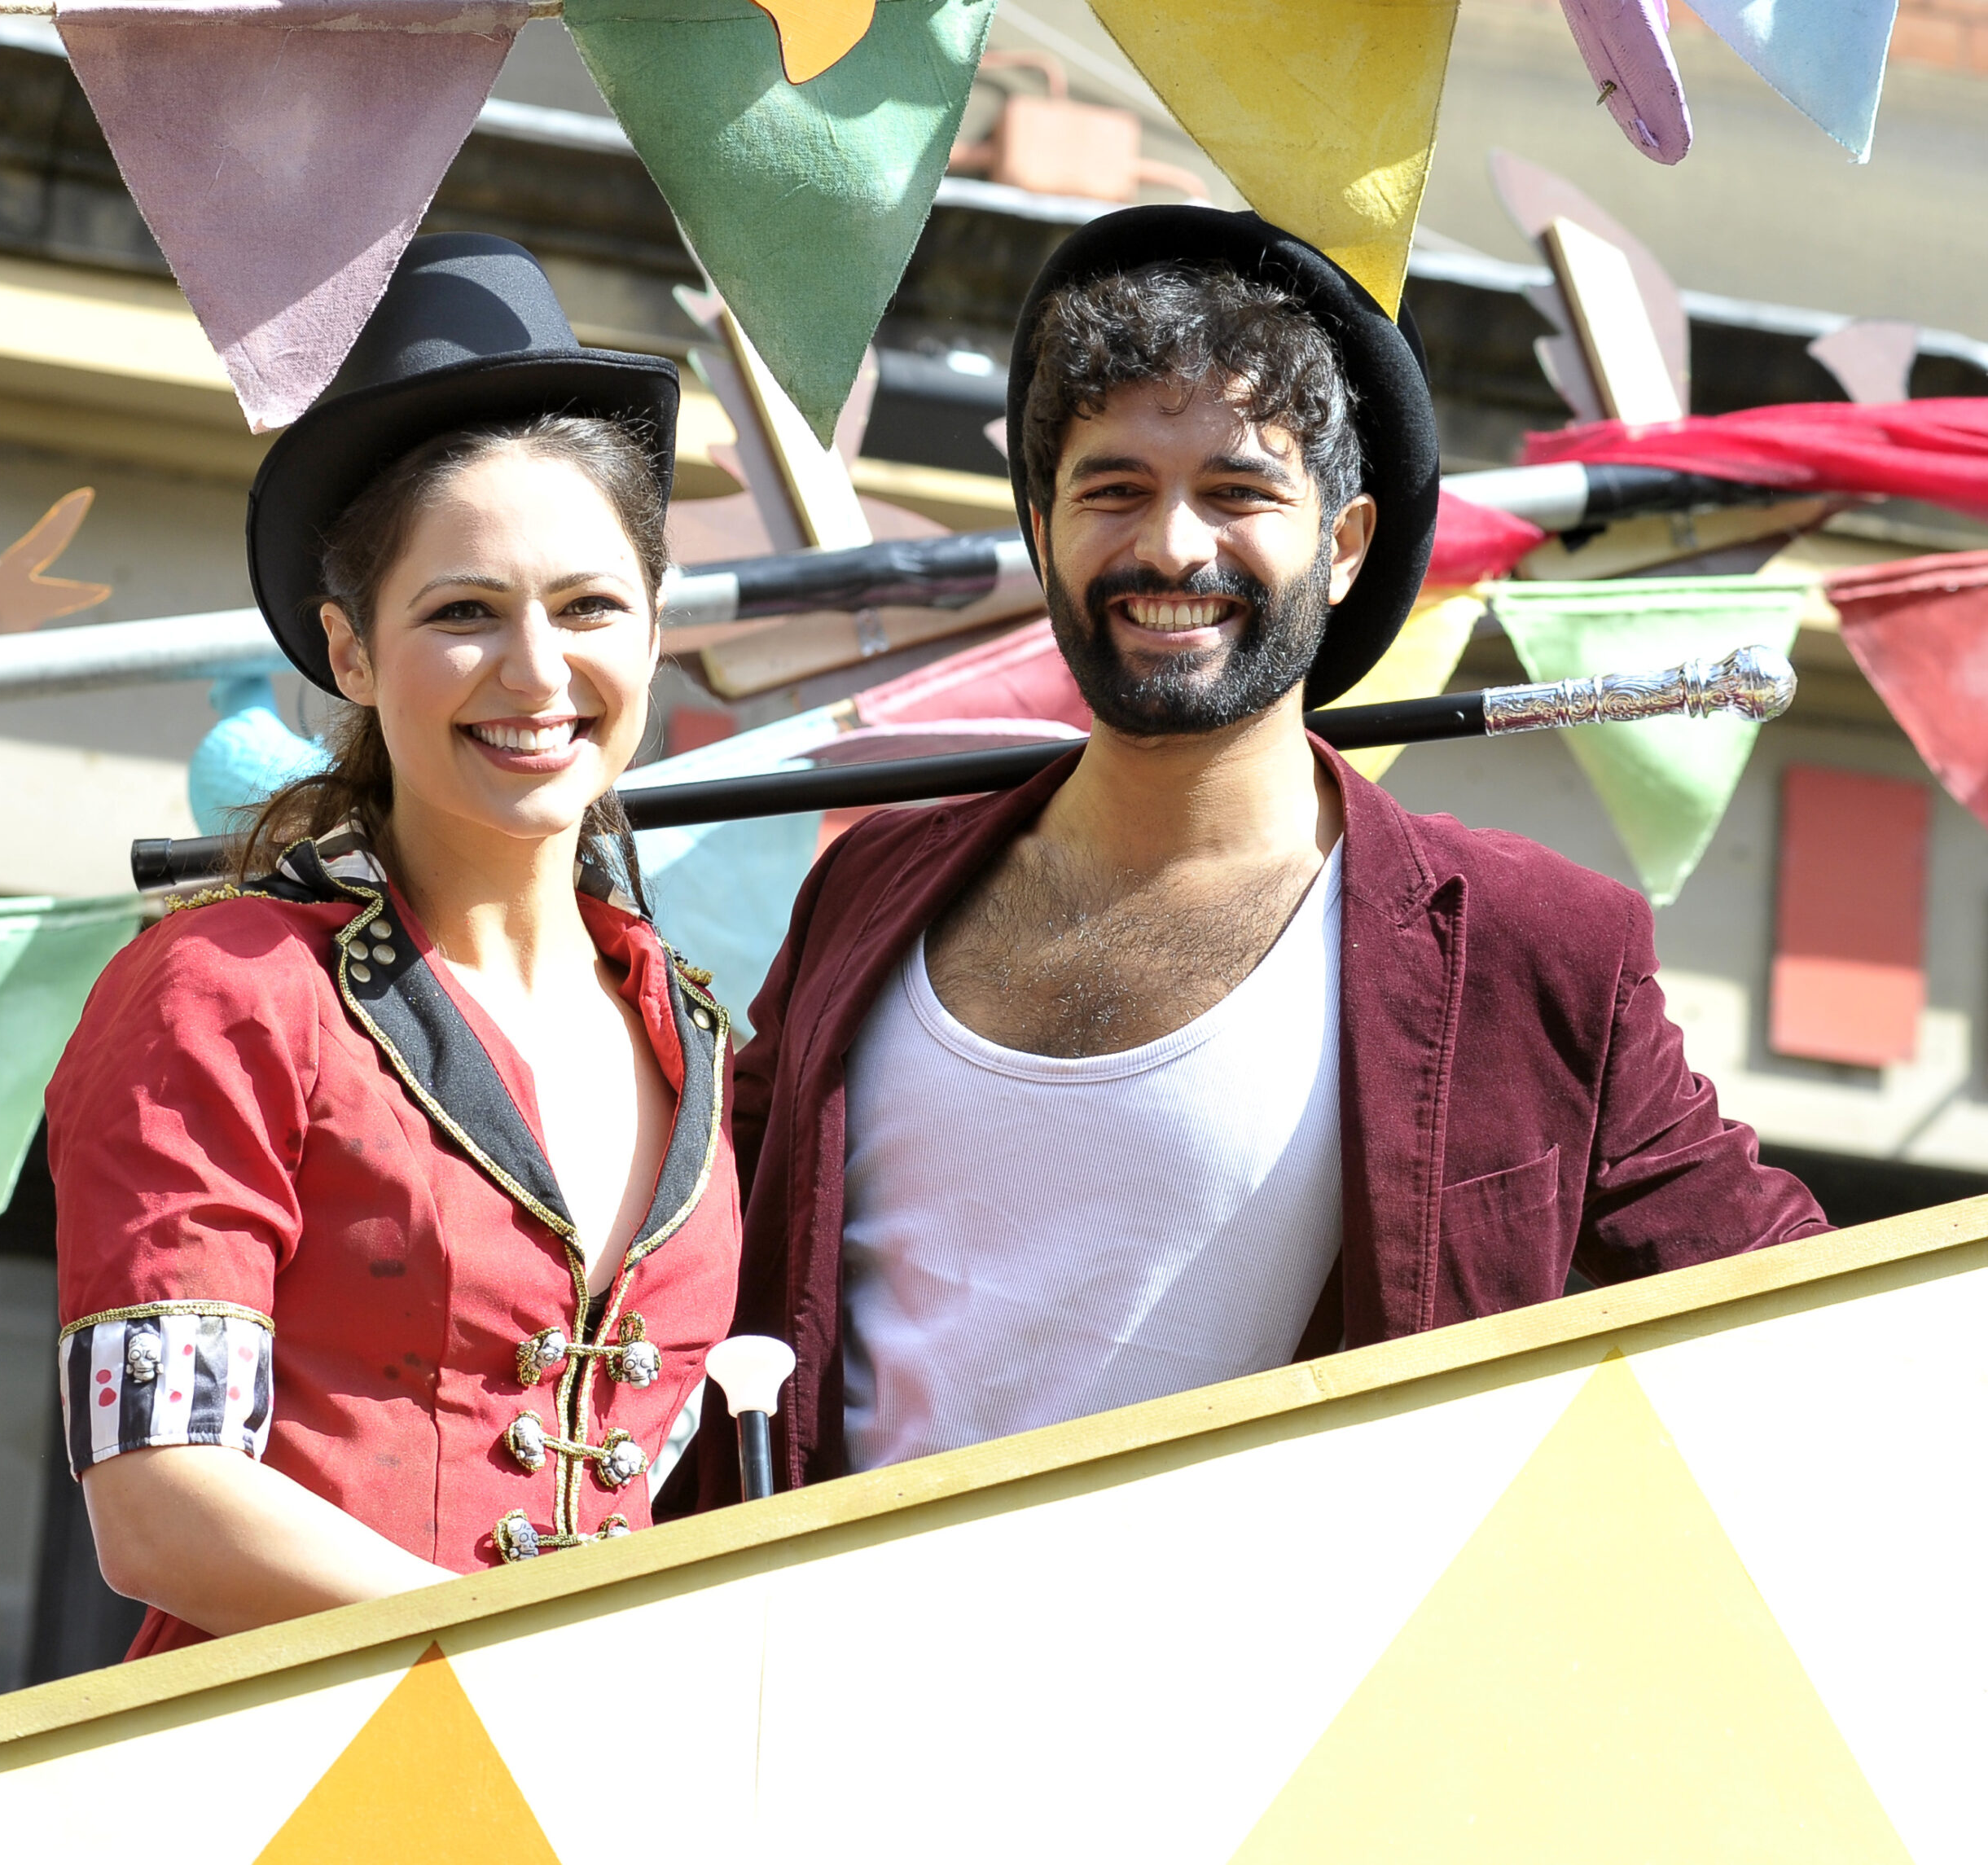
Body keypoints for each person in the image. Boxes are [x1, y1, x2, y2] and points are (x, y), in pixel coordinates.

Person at [698, 206, 1827, 1507]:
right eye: (1114, 488)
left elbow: (1810, 1328)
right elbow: (687, 1279)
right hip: (824, 1689)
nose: (1173, 545)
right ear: (1042, 526)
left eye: (1239, 491)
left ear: (1343, 546)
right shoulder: (866, 885)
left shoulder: (1531, 953)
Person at [48, 235, 740, 1657]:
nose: (539, 673)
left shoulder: (697, 1029)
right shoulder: (226, 991)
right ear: (350, 652)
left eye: (592, 606)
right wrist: (542, 1652)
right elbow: (160, 1502)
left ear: (657, 630)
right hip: (285, 1780)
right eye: (463, 614)